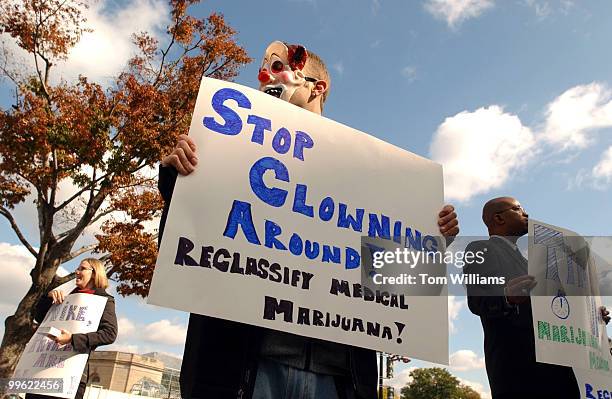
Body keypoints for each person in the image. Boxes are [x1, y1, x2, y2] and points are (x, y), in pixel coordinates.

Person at [158, 41, 460, 399]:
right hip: (243, 370)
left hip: (340, 378)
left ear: (318, 87)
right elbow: (187, 254)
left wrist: (428, 239)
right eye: (264, 69)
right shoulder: (223, 146)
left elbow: (393, 283)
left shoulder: (372, 179)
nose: (266, 77)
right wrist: (178, 182)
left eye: (278, 67)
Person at [464, 196, 610, 399]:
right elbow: (478, 301)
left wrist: (592, 316)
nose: (526, 214)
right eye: (518, 209)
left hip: (558, 370)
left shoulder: (531, 263)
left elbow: (558, 307)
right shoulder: (481, 249)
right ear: (498, 218)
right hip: (520, 373)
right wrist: (507, 297)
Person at [27, 258, 118, 399]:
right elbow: (40, 317)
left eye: (82, 268)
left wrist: (72, 339)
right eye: (77, 268)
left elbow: (109, 334)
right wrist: (47, 297)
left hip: (70, 373)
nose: (76, 271)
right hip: (42, 371)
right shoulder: (65, 297)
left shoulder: (104, 300)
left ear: (94, 273)